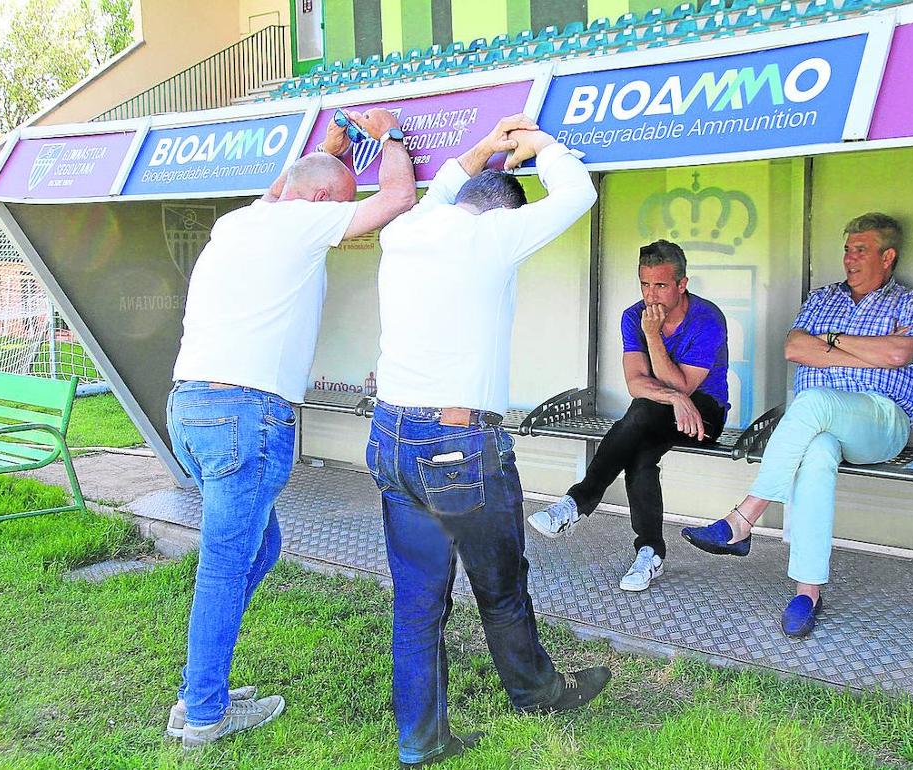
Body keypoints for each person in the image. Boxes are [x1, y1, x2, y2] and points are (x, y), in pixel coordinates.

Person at [164, 108, 416, 749]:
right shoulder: (306, 219)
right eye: (339, 201)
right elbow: (398, 196)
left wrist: (326, 149)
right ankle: (203, 715)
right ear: (324, 200)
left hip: (192, 411)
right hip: (244, 418)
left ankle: (202, 682)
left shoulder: (239, 222)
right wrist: (388, 136)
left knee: (261, 547)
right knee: (224, 564)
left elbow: (286, 188)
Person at [368, 115, 608, 769]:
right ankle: (537, 692)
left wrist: (481, 150)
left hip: (390, 434)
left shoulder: (405, 230)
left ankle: (420, 742)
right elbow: (579, 195)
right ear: (501, 214)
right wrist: (543, 148)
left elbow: (444, 187)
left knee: (418, 600)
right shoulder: (494, 236)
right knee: (500, 586)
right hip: (457, 444)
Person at [681, 213, 913, 638]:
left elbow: (898, 354)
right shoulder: (824, 298)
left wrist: (832, 343)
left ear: (887, 256)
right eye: (847, 249)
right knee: (816, 451)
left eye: (861, 250)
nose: (850, 259)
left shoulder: (912, 302)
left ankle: (745, 518)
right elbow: (794, 347)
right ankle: (807, 591)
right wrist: (861, 351)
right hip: (820, 428)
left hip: (880, 420)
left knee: (813, 401)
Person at [527, 240, 729, 592]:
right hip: (658, 411)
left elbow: (683, 383)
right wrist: (674, 396)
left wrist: (654, 339)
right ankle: (650, 552)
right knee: (641, 447)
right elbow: (636, 383)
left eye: (661, 286)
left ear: (683, 284)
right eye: (645, 285)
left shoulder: (707, 319)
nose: (652, 296)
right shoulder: (632, 315)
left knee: (642, 414)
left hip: (704, 414)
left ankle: (577, 501)